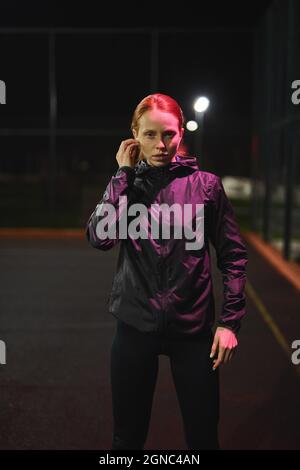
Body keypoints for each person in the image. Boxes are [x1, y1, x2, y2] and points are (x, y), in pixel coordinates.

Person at [85, 93, 248, 450]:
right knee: (126, 439)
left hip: (193, 331)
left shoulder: (206, 186)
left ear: (180, 133)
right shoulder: (126, 186)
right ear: (134, 135)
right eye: (150, 135)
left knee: (203, 438)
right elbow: (100, 237)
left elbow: (234, 256)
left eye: (169, 134)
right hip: (135, 328)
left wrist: (229, 322)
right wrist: (122, 175)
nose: (161, 145)